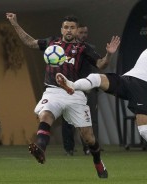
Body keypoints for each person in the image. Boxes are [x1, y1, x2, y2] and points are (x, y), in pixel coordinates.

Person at [56, 16, 147, 180]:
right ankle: (72, 85)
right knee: (97, 78)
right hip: (128, 79)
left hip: (144, 87)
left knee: (144, 130)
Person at [6, 12, 120, 178]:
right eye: (66, 27)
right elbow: (30, 42)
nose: (69, 30)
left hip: (75, 93)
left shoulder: (83, 48)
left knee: (88, 137)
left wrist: (109, 54)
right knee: (45, 115)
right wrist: (15, 23)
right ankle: (40, 149)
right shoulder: (52, 43)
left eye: (72, 28)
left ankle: (98, 162)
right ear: (61, 29)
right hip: (53, 91)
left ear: (76, 30)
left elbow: (101, 64)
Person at [61, 24, 97, 156]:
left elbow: (96, 67)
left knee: (89, 118)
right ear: (76, 33)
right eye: (81, 32)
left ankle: (89, 146)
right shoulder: (63, 49)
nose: (84, 35)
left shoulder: (90, 49)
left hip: (88, 87)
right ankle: (69, 148)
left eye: (85, 33)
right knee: (68, 120)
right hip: (71, 87)